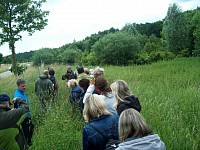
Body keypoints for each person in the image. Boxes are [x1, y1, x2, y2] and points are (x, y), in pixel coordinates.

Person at [14, 79, 34, 146]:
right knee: (27, 132)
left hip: (27, 115)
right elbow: (19, 109)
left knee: (31, 129)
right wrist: (26, 117)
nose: (24, 87)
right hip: (24, 117)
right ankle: (28, 145)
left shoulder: (22, 92)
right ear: (18, 86)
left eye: (25, 85)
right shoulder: (18, 96)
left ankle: (29, 142)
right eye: (22, 86)